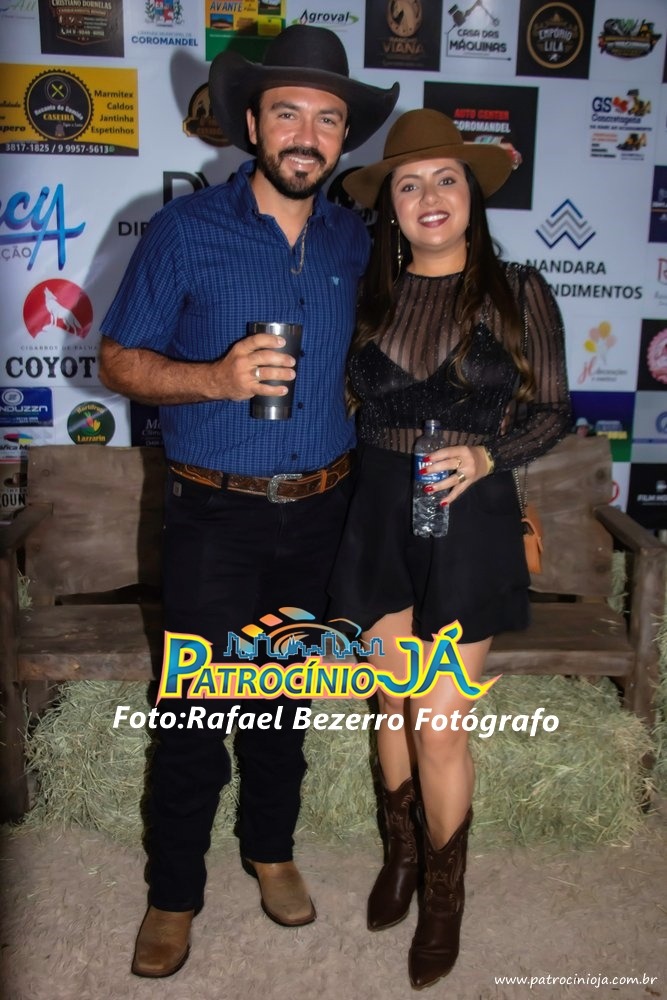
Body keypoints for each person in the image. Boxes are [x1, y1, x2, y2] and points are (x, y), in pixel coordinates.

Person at [98, 25, 398, 979]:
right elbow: (118, 362)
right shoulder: (185, 229)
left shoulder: (356, 237)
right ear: (254, 125)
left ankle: (271, 849)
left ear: (343, 136)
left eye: (327, 118)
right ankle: (173, 894)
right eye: (288, 113)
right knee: (192, 711)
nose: (306, 135)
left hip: (322, 511)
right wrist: (214, 380)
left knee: (282, 703)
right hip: (213, 514)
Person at [327, 109, 571, 991]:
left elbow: (552, 410)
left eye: (445, 179)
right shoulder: (367, 296)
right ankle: (400, 854)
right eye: (408, 183)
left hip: (468, 519)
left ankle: (444, 896)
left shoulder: (518, 291)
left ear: (470, 194)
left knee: (438, 725)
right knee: (390, 704)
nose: (428, 195)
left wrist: (486, 455)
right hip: (376, 514)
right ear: (389, 206)